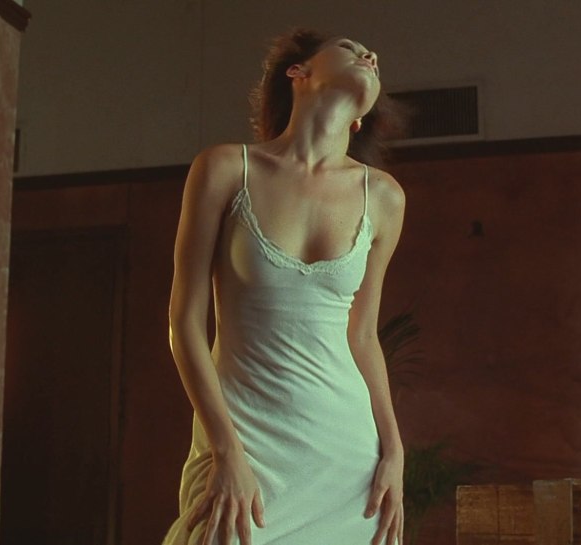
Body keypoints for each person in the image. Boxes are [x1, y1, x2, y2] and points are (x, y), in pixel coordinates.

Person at [163, 28, 406, 545]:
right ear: (299, 72)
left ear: (361, 117)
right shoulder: (226, 169)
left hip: (349, 463)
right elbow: (183, 324)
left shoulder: (384, 197)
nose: (369, 54)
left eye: (372, 56)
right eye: (349, 48)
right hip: (245, 445)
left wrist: (393, 452)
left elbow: (363, 336)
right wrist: (226, 451)